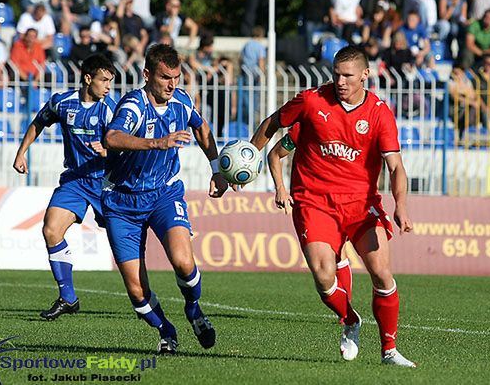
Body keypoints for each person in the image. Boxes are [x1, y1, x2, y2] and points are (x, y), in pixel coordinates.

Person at [250, 45, 416, 367]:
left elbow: (395, 166)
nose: (340, 81)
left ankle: (390, 351)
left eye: (347, 76)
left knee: (381, 273)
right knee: (325, 276)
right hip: (314, 201)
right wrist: (248, 154)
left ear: (365, 75)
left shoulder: (379, 113)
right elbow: (273, 124)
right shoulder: (313, 100)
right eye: (336, 75)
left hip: (361, 204)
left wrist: (401, 206)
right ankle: (349, 319)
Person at [101, 43, 229, 354]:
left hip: (164, 193)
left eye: (176, 77)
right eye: (164, 78)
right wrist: (157, 142)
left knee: (184, 262)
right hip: (121, 202)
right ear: (147, 75)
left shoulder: (181, 101)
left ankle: (194, 311)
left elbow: (202, 129)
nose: (172, 84)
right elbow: (112, 138)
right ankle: (165, 330)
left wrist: (216, 168)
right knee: (136, 291)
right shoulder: (133, 105)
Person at [12, 54, 117, 320]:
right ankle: (68, 297)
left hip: (106, 183)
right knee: (51, 229)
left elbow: (127, 146)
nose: (108, 87)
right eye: (104, 80)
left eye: (111, 82)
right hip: (74, 181)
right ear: (87, 78)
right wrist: (21, 152)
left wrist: (107, 149)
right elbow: (38, 122)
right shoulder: (62, 102)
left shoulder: (109, 109)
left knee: (126, 241)